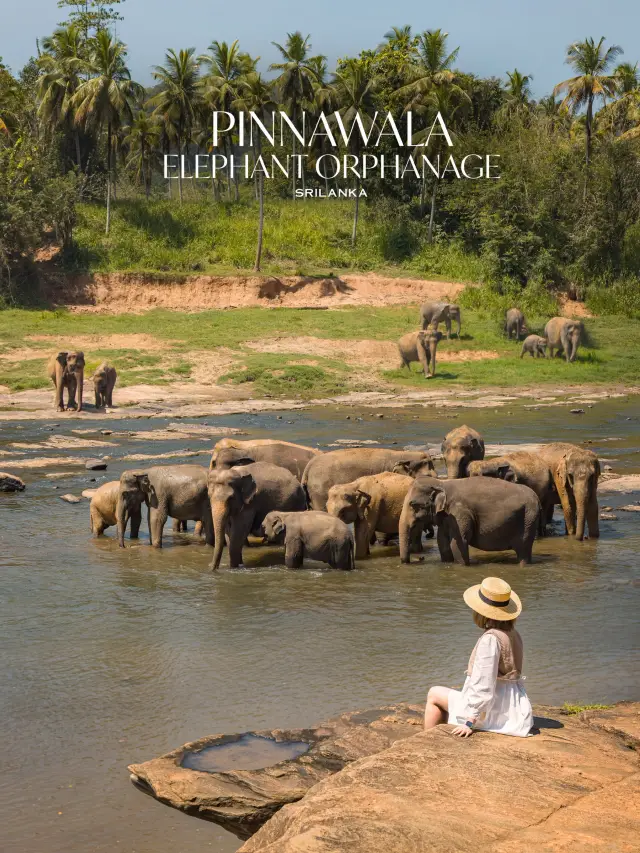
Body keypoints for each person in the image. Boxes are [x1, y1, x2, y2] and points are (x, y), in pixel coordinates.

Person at [424, 576, 533, 738]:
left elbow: (484, 682)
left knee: (434, 693)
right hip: (513, 707)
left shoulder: (490, 639)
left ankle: (428, 741)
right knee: (451, 693)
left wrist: (470, 720)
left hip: (494, 712)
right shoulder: (513, 633)